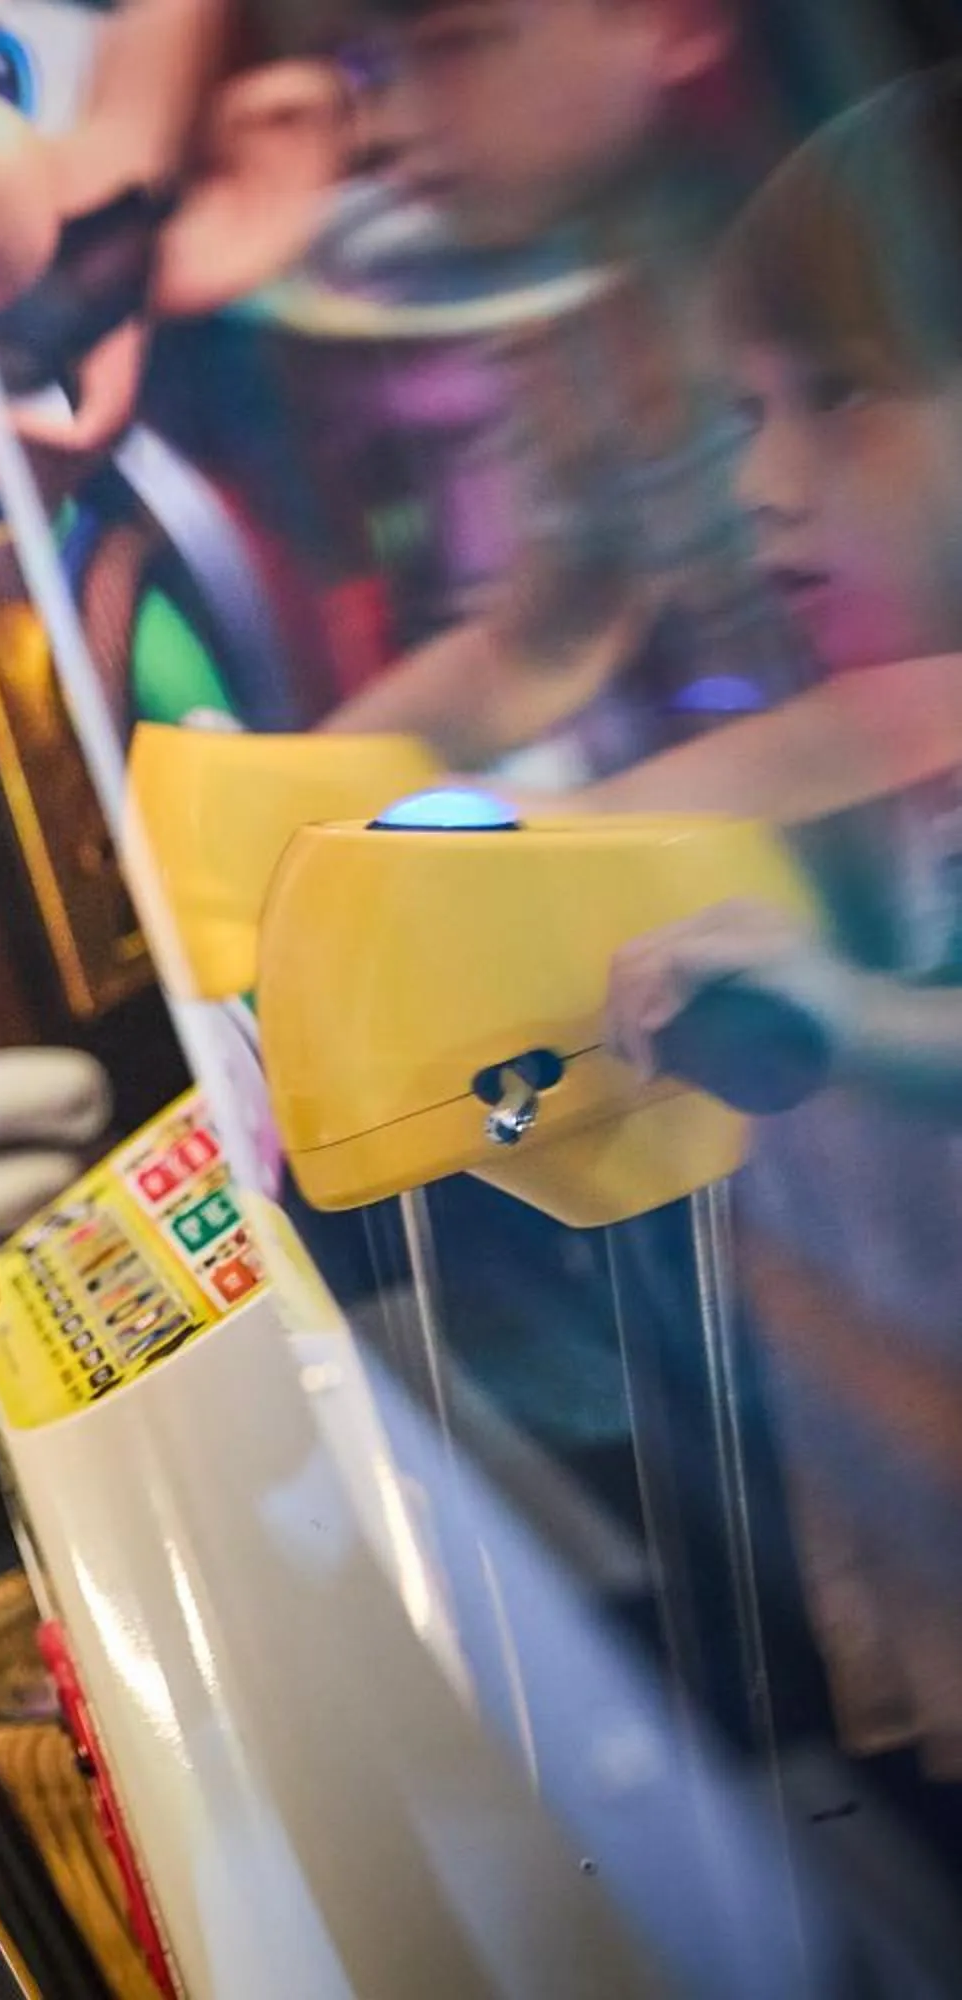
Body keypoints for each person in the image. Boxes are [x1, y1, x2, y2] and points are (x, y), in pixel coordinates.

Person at [596, 64, 962, 1785]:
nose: (762, 482)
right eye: (746, 411)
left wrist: (841, 1019)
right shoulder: (902, 720)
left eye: (836, 398)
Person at [313, 0, 806, 780]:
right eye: (372, 69)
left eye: (459, 44)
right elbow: (545, 640)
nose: (391, 124)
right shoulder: (573, 300)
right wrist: (285, 795)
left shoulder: (842, 256)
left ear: (675, 20)